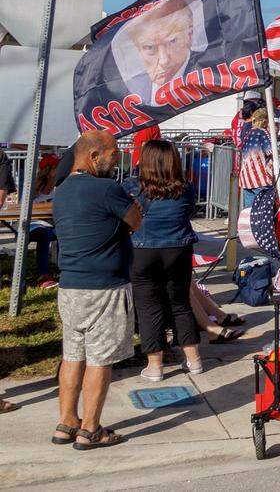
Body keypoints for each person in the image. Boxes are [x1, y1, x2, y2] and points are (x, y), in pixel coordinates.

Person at [52, 130, 142, 450]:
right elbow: (136, 221)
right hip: (105, 286)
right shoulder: (107, 189)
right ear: (93, 157)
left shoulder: (60, 192)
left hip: (71, 285)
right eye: (113, 153)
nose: (116, 159)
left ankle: (66, 422)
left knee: (72, 355)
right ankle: (90, 429)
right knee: (100, 359)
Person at [124, 140, 206, 381]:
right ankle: (194, 360)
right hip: (178, 249)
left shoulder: (132, 186)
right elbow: (189, 212)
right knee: (180, 303)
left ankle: (155, 365)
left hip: (142, 250)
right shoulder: (186, 188)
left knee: (149, 307)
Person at [29, 156, 60, 288]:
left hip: (52, 224)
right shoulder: (33, 188)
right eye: (58, 168)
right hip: (34, 225)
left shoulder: (60, 187)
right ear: (50, 170)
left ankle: (65, 269)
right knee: (44, 234)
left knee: (65, 231)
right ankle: (42, 275)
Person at [239, 108, 274, 207]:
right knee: (263, 210)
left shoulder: (248, 133)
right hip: (260, 176)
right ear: (265, 120)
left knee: (249, 211)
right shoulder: (262, 132)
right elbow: (271, 151)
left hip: (246, 176)